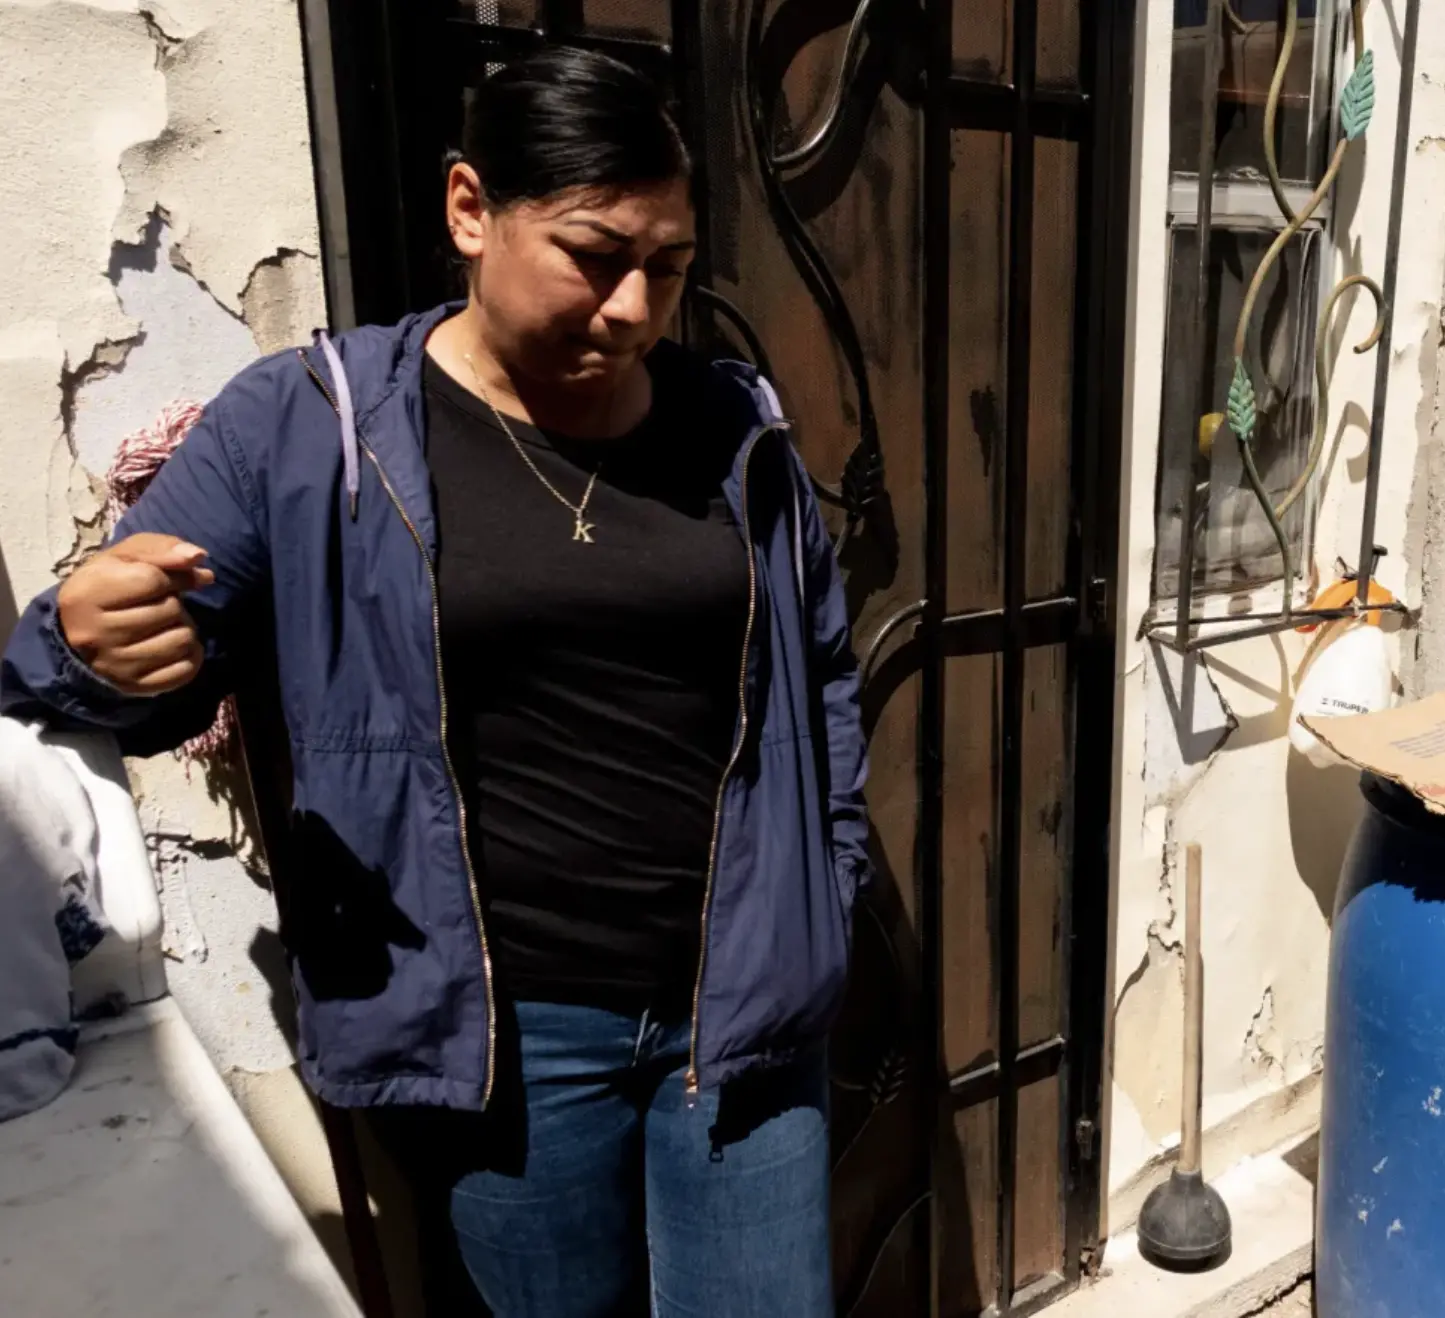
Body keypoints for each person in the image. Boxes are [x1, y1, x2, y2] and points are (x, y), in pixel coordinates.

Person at [0, 45, 866, 1317]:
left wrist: (829, 888)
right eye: (593, 255)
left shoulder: (736, 427)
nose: (635, 308)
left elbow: (823, 678)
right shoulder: (307, 426)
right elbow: (105, 685)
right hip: (514, 1048)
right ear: (471, 210)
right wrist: (85, 636)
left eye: (667, 269)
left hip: (742, 1013)